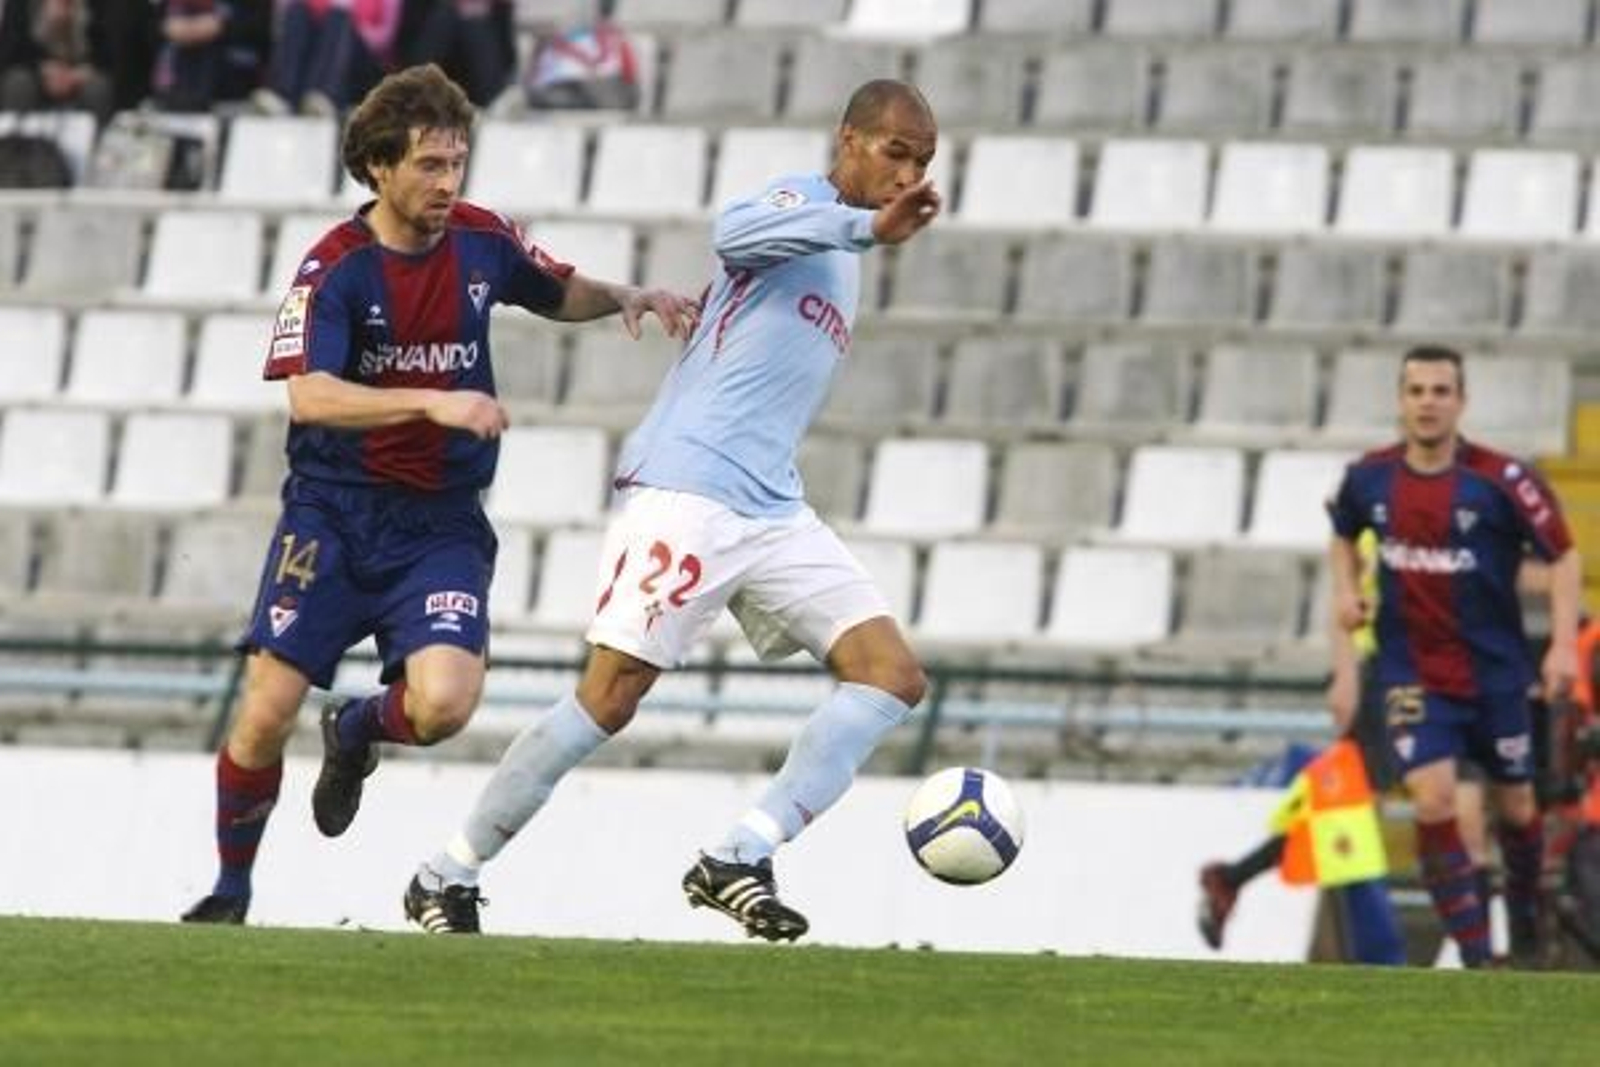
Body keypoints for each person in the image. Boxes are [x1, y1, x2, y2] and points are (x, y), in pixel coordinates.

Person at [401, 79, 942, 938]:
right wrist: (863, 223)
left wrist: (867, 235)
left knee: (891, 678)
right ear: (848, 140)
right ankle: (446, 872)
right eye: (894, 152)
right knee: (611, 698)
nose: (906, 174)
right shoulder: (805, 205)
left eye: (920, 163)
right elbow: (734, 232)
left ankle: (738, 854)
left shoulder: (850, 252)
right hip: (687, 489)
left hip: (771, 503)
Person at [179, 63, 698, 925]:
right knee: (265, 712)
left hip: (439, 525)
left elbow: (553, 287)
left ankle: (354, 730)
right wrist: (430, 397)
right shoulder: (334, 269)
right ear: (379, 167)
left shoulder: (482, 240)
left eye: (456, 162)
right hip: (334, 514)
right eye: (428, 165)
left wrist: (626, 296)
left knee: (445, 705)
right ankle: (231, 892)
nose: (447, 182)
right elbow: (309, 395)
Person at [1325, 344, 1582, 968]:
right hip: (1410, 671)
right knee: (1434, 799)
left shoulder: (1503, 479)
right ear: (1400, 400)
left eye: (1441, 392)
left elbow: (1564, 555)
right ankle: (1474, 959)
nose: (1428, 403)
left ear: (1460, 402)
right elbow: (1341, 536)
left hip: (1496, 674)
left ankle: (1525, 927)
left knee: (1518, 808)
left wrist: (1563, 646)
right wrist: (1345, 591)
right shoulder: (1369, 478)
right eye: (1416, 391)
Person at [253, 0, 401, 116]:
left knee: (340, 17)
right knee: (297, 10)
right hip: (319, 61)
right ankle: (282, 93)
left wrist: (351, 32)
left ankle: (326, 94)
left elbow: (385, 37)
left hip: (364, 61)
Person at [0, 0, 116, 123]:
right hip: (38, 70)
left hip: (81, 71)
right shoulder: (21, 4)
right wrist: (43, 68)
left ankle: (98, 137)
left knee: (98, 87)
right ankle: (12, 137)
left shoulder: (98, 5)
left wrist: (78, 74)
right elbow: (12, 51)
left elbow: (107, 53)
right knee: (18, 82)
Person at [150, 0, 272, 112]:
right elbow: (156, 24)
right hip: (176, 90)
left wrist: (222, 26)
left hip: (233, 92)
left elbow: (261, 30)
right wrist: (167, 27)